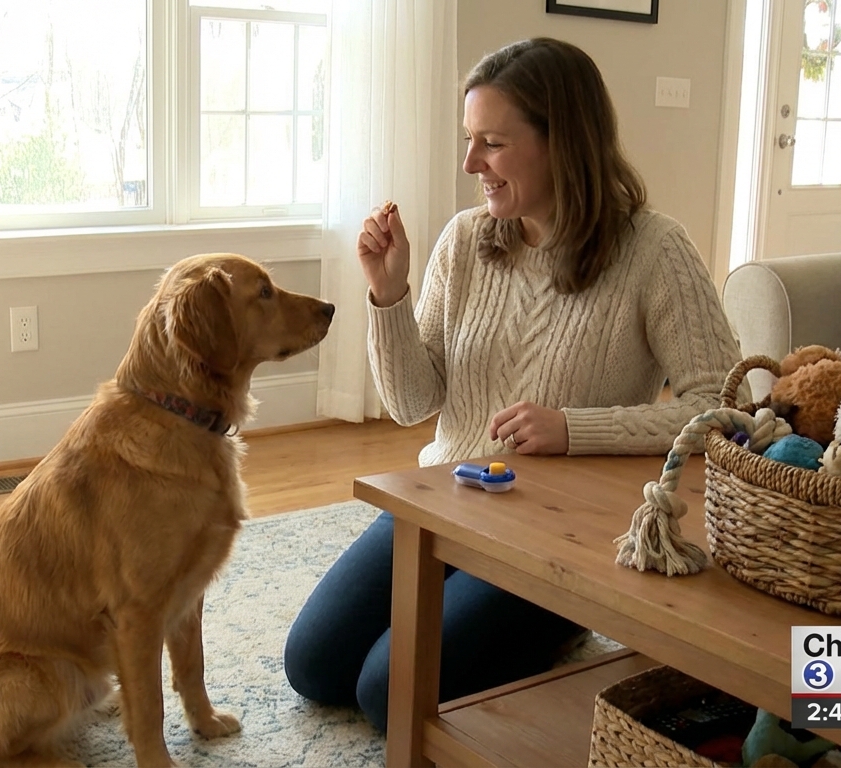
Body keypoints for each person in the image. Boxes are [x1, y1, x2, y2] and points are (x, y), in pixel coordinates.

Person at [283, 37, 743, 732]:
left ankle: (558, 621)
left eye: (492, 143)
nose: (471, 164)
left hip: (551, 534)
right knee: (314, 666)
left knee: (386, 691)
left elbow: (724, 409)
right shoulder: (467, 239)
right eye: (470, 141)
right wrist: (390, 295)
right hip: (446, 502)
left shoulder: (655, 250)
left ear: (564, 142)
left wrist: (573, 429)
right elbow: (413, 403)